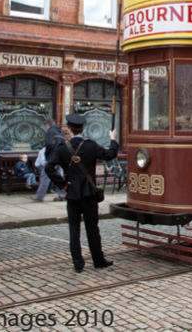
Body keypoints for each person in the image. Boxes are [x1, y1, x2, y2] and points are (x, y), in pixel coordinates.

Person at [45, 113, 119, 273]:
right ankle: (98, 260)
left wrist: (63, 184)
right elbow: (110, 154)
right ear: (82, 129)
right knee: (92, 228)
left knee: (74, 229)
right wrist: (113, 139)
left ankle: (78, 264)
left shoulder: (62, 148)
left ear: (69, 130)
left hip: (72, 194)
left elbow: (48, 168)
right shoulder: (90, 146)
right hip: (88, 194)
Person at [33, 118, 67, 202]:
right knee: (58, 175)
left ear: (47, 125)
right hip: (60, 157)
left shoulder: (50, 131)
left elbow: (48, 144)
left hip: (52, 157)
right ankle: (63, 194)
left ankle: (39, 196)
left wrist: (47, 155)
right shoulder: (60, 132)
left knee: (45, 175)